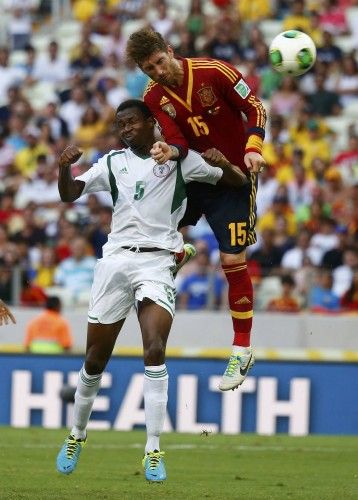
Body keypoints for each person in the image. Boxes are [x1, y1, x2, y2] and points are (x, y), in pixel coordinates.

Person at [55, 99, 246, 482]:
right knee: (94, 359)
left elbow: (237, 182)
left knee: (154, 349)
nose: (124, 130)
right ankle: (77, 434)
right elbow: (70, 193)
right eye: (119, 125)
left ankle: (153, 448)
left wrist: (223, 163)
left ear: (150, 122)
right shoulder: (112, 162)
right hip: (115, 263)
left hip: (156, 263)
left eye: (130, 123)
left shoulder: (180, 159)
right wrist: (64, 167)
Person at [126, 28, 267, 392]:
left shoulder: (213, 71)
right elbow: (176, 140)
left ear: (169, 50)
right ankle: (179, 250)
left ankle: (242, 348)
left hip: (234, 175)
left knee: (233, 261)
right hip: (194, 175)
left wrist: (253, 146)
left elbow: (254, 107)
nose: (157, 72)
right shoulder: (154, 96)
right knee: (152, 219)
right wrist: (168, 151)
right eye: (149, 69)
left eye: (159, 62)